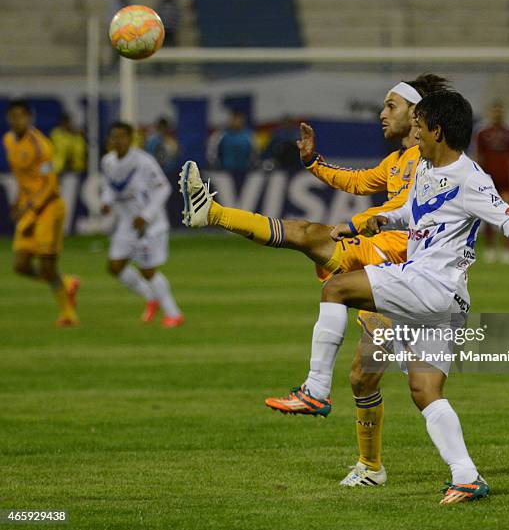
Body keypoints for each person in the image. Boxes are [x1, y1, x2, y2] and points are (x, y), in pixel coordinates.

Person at [267, 90, 509, 504]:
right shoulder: (427, 169)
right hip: (445, 300)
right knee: (425, 390)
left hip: (430, 284)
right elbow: (414, 214)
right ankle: (467, 476)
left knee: (336, 287)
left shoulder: (471, 178)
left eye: (419, 125)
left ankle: (316, 389)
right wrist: (376, 221)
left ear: (437, 129)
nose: (412, 131)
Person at [180, 75, 450, 486]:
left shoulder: (433, 159)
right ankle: (372, 468)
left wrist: (357, 223)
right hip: (385, 266)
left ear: (417, 115)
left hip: (405, 263)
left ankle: (213, 214)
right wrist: (313, 162)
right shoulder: (397, 162)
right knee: (363, 375)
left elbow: (409, 209)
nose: (382, 113)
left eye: (390, 106)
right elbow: (359, 182)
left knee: (310, 239)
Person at [3, 99, 80, 326]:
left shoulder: (41, 145)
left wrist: (32, 208)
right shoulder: (8, 141)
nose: (17, 120)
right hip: (29, 208)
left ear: (29, 117)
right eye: (13, 116)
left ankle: (68, 314)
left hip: (49, 208)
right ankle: (67, 283)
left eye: (21, 116)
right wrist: (19, 202)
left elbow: (49, 183)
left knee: (47, 266)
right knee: (21, 266)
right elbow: (23, 178)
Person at [101, 122, 183, 328]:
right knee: (115, 266)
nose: (118, 141)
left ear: (131, 139)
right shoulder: (108, 161)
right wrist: (106, 201)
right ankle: (150, 297)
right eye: (114, 137)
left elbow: (163, 188)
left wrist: (146, 215)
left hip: (150, 225)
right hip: (127, 224)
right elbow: (110, 186)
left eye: (122, 137)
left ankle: (173, 313)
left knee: (148, 270)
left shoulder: (144, 162)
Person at [476, 101, 509, 264]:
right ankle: (489, 249)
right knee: (488, 215)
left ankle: (507, 250)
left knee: (508, 214)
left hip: (506, 179)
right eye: (495, 110)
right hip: (489, 180)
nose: (497, 113)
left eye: (500, 110)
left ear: (504, 113)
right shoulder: (482, 134)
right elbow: (479, 157)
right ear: (491, 113)